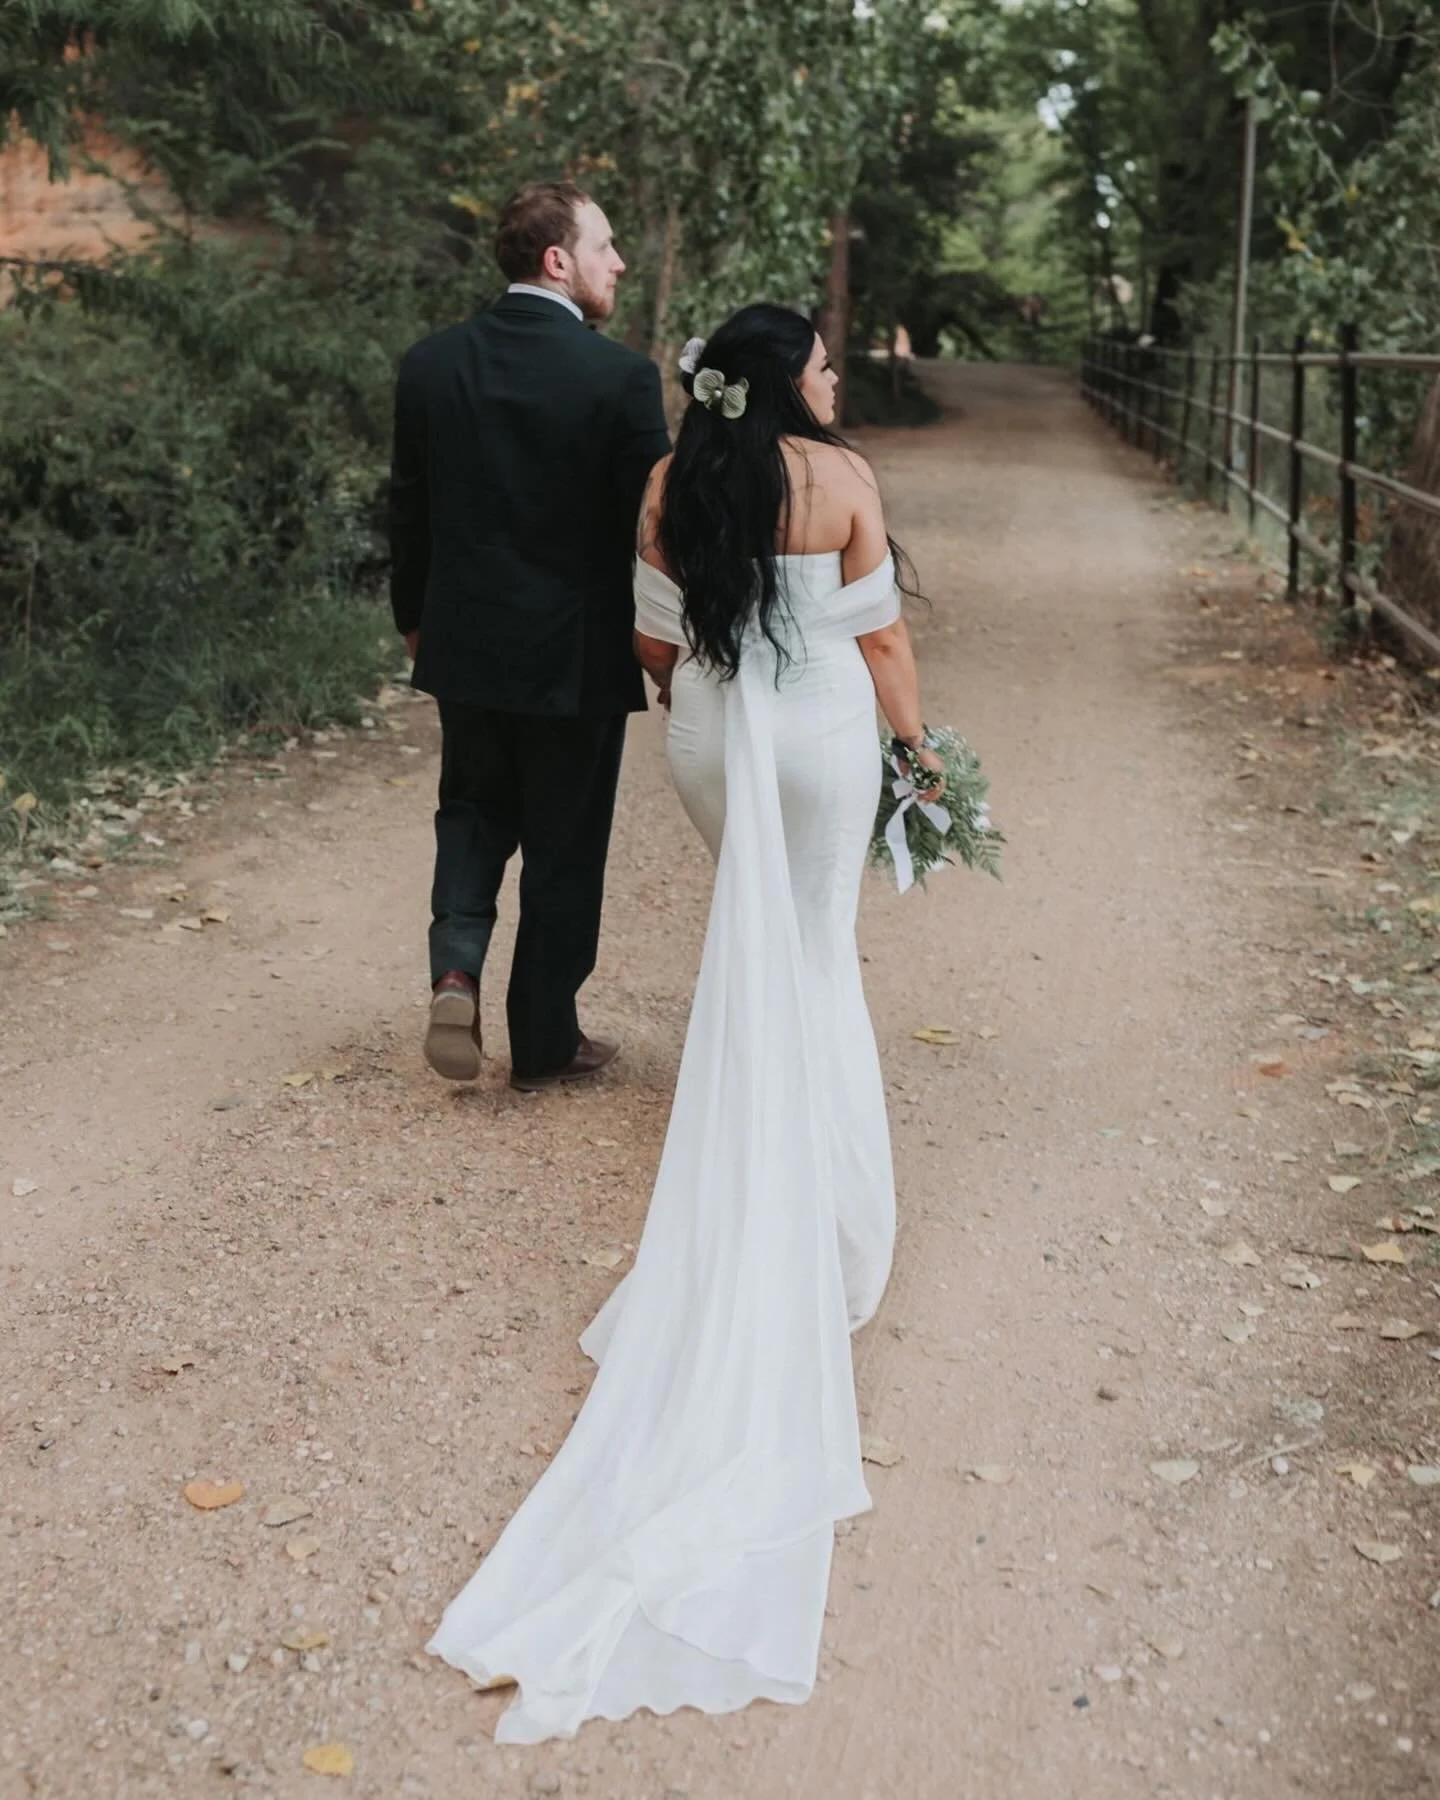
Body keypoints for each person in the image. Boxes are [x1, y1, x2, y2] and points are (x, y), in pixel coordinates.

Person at [427, 303, 944, 1741]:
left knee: (760, 945)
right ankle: (832, 1225)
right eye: (828, 360)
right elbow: (883, 638)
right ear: (791, 378)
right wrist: (921, 760)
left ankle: (761, 1178)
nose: (838, 376)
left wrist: (720, 697)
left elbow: (660, 653)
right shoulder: (841, 483)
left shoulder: (673, 483)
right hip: (822, 742)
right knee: (818, 956)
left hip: (717, 744)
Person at [388, 181, 670, 1091]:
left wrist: (415, 623)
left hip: (465, 644)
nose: (618, 262)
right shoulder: (621, 377)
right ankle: (546, 1039)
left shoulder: (432, 365)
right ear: (559, 260)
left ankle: (456, 970)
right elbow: (651, 529)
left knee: (470, 813)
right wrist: (666, 640)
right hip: (577, 655)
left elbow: (409, 510)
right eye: (606, 245)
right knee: (565, 844)